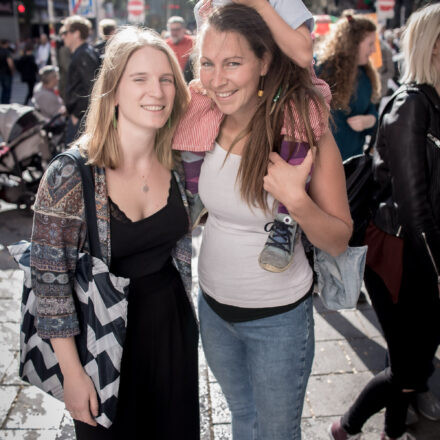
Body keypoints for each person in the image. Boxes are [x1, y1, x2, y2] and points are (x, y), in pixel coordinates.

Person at [179, 5, 351, 439]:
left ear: (264, 62)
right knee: (243, 416)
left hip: (278, 323)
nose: (217, 79)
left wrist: (298, 201)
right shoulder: (203, 122)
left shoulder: (305, 132)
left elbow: (337, 240)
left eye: (233, 63)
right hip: (214, 311)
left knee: (275, 433)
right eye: (208, 63)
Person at [30, 26, 199, 439]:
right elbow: (49, 285)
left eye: (165, 79)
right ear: (113, 89)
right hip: (102, 352)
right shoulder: (71, 173)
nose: (156, 92)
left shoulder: (179, 164)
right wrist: (72, 373)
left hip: (173, 336)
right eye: (139, 79)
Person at [329, 4, 440, 440]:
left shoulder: (431, 101)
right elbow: (415, 207)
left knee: (409, 362)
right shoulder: (411, 105)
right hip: (399, 253)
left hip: (420, 252)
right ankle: (347, 425)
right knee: (409, 371)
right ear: (433, 49)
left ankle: (393, 431)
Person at [174, 0, 331, 274]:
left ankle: (285, 221)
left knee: (300, 120)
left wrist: (260, 5)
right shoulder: (207, 6)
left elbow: (304, 55)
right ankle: (193, 189)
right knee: (195, 108)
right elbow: (207, 52)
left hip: (290, 88)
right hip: (214, 296)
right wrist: (210, 71)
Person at [316, 12, 380, 161]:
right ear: (353, 43)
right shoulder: (321, 69)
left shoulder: (365, 73)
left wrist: (370, 120)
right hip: (323, 161)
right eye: (370, 44)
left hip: (353, 161)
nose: (374, 50)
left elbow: (371, 108)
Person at [62, 15, 100, 144]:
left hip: (81, 119)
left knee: (76, 159)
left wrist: (77, 114)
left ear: (76, 33)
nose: (62, 36)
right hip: (81, 117)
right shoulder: (83, 52)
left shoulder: (83, 54)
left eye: (65, 32)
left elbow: (92, 88)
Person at [0, 39, 14, 104]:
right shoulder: (7, 52)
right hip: (6, 73)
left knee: (3, 89)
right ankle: (6, 103)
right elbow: (10, 62)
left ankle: (3, 102)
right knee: (7, 89)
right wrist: (12, 71)